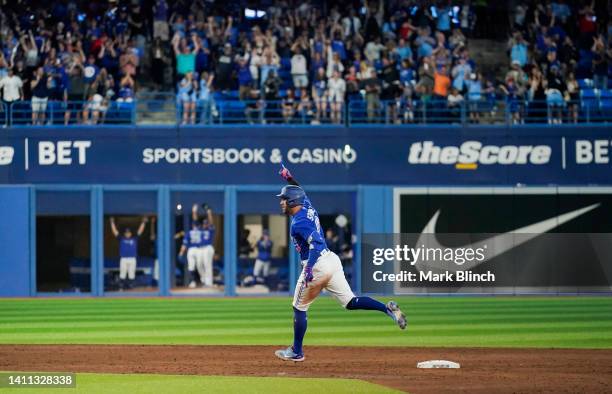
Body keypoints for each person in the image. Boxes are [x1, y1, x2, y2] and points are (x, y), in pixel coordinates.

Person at [274, 164, 406, 362]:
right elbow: (301, 192)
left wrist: (309, 269)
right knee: (351, 302)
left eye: (284, 200)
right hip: (332, 261)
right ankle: (387, 309)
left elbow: (316, 245)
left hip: (317, 264)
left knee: (299, 307)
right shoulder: (307, 206)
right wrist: (289, 179)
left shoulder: (298, 223)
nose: (281, 203)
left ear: (292, 201)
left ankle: (296, 351)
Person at [110, 216, 147, 290]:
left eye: (128, 233)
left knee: (131, 273)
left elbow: (140, 231)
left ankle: (131, 286)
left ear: (130, 233)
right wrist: (112, 222)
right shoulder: (121, 239)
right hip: (124, 258)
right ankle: (121, 286)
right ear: (124, 234)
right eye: (126, 233)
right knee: (122, 273)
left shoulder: (134, 239)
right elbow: (115, 232)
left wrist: (143, 222)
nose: (127, 234)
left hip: (132, 258)